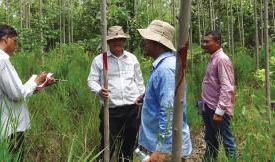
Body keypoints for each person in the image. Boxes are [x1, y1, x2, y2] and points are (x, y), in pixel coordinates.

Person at [0, 24, 54, 161]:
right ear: (6, 39)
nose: (15, 45)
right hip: (9, 127)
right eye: (14, 40)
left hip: (0, 125)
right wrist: (36, 80)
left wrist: (41, 85)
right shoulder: (0, 61)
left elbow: (11, 92)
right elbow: (17, 93)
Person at [136, 20, 192, 162]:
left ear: (156, 43)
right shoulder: (164, 66)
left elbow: (169, 111)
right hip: (161, 144)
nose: (144, 43)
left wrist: (161, 149)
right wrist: (147, 96)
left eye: (147, 40)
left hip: (165, 148)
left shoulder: (166, 70)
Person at [87, 26, 145, 162]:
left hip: (132, 108)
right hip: (110, 110)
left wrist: (142, 97)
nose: (116, 42)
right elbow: (91, 81)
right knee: (107, 144)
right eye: (113, 39)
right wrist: (99, 90)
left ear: (124, 41)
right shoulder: (99, 60)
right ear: (108, 42)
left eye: (120, 39)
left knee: (129, 144)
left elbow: (139, 81)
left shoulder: (132, 59)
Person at [201, 31, 237, 161]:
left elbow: (227, 87)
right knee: (211, 141)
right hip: (209, 107)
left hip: (217, 110)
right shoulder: (213, 58)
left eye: (207, 41)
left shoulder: (222, 59)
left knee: (227, 142)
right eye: (203, 41)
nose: (203, 44)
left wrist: (219, 112)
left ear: (217, 42)